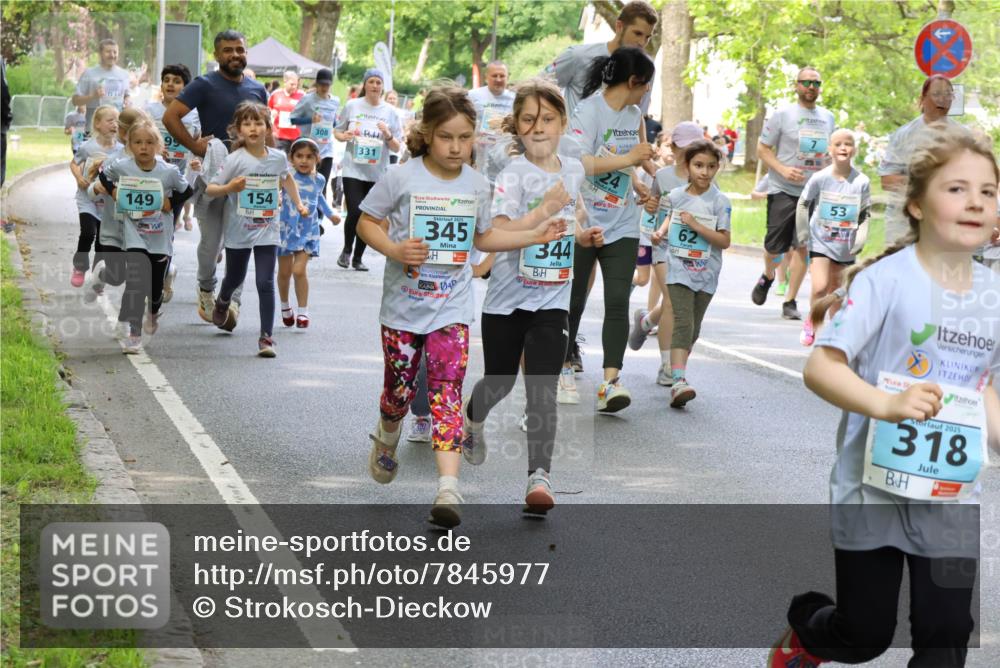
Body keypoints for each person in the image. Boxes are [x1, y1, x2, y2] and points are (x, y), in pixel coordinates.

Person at [769, 124, 1000, 668]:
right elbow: (820, 367)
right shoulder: (886, 281)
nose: (975, 202)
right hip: (871, 491)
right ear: (917, 206)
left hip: (948, 499)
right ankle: (807, 631)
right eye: (956, 189)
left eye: (987, 192)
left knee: (946, 640)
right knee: (864, 636)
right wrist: (886, 405)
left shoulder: (994, 297)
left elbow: (987, 392)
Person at [356, 85, 566, 528]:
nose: (456, 147)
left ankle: (448, 488)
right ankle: (387, 433)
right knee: (398, 391)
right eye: (447, 137)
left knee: (446, 392)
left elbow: (484, 238)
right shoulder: (403, 177)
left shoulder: (476, 185)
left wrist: (534, 235)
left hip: (452, 309)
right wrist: (395, 250)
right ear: (428, 134)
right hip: (402, 310)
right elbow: (366, 222)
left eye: (465, 137)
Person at [462, 78, 603, 513]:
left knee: (543, 388)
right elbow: (498, 231)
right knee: (500, 381)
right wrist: (541, 215)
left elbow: (572, 212)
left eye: (547, 119)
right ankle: (472, 419)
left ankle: (538, 477)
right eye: (528, 120)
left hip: (552, 299)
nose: (538, 127)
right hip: (507, 300)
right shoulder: (512, 174)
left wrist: (583, 235)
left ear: (562, 123)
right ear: (518, 129)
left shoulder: (573, 169)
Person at [561, 46, 656, 413]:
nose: (645, 93)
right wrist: (630, 159)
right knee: (572, 302)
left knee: (618, 300)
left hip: (624, 222)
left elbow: (625, 159)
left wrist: (637, 182)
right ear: (634, 81)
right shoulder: (588, 110)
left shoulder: (635, 115)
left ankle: (609, 383)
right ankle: (564, 365)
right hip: (584, 218)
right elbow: (580, 162)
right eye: (645, 85)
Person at [162, 30, 268, 323]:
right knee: (211, 241)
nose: (235, 55)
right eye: (228, 50)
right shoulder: (204, 85)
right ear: (217, 55)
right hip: (213, 175)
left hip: (248, 176)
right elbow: (170, 117)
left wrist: (269, 174)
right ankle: (206, 292)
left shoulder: (258, 89)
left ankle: (232, 301)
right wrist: (195, 145)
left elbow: (264, 134)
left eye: (240, 49)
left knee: (241, 241)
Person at [205, 101, 309, 358]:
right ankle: (223, 300)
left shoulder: (278, 158)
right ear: (238, 130)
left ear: (267, 128)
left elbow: (287, 179)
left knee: (265, 281)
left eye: (258, 123)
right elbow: (210, 188)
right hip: (239, 229)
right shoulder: (234, 160)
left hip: (268, 229)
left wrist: (298, 203)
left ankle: (266, 337)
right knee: (234, 277)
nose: (253, 128)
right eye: (247, 123)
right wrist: (230, 188)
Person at [98, 118, 193, 353]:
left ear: (158, 146)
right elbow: (103, 175)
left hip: (160, 237)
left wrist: (171, 203)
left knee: (154, 287)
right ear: (129, 144)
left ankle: (153, 311)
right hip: (134, 236)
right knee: (135, 282)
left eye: (149, 142)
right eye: (138, 142)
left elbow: (188, 190)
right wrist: (114, 191)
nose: (144, 147)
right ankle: (134, 333)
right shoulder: (122, 166)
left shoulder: (168, 171)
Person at [751, 66, 835, 320]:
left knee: (802, 247)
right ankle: (768, 274)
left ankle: (790, 301)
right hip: (783, 188)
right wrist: (783, 170)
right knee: (774, 247)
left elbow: (828, 151)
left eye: (816, 83)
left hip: (812, 191)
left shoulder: (828, 117)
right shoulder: (782, 114)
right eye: (806, 83)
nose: (811, 88)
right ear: (796, 85)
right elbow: (763, 149)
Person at [629, 121, 704, 386]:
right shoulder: (662, 176)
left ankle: (647, 321)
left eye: (696, 147)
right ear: (673, 148)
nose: (690, 153)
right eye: (684, 148)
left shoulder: (705, 174)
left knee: (685, 303)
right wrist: (650, 206)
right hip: (662, 245)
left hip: (695, 249)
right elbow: (651, 207)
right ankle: (667, 367)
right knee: (673, 301)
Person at [662, 140, 731, 407]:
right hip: (679, 268)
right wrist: (660, 232)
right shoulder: (677, 196)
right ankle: (678, 380)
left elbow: (724, 241)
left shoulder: (720, 201)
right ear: (687, 166)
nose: (704, 172)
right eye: (698, 165)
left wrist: (697, 226)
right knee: (683, 322)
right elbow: (671, 219)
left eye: (711, 166)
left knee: (694, 328)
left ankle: (678, 370)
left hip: (707, 271)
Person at [795, 128, 871, 347]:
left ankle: (835, 333)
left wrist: (860, 239)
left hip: (845, 244)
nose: (843, 148)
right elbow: (803, 203)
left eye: (847, 144)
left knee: (836, 292)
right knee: (820, 287)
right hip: (820, 240)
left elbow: (865, 213)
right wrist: (802, 232)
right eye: (838, 144)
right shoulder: (820, 178)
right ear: (830, 149)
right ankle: (812, 320)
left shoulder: (861, 181)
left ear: (854, 149)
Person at [333, 68, 402, 272]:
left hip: (376, 171)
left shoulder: (390, 112)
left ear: (383, 86)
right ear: (365, 84)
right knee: (355, 210)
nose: (374, 86)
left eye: (378, 82)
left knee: (367, 214)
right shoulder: (353, 105)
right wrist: (343, 136)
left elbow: (397, 146)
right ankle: (346, 249)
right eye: (371, 81)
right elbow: (337, 130)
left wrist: (388, 134)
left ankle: (358, 257)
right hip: (353, 168)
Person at [879, 75, 959, 246]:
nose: (943, 100)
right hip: (904, 224)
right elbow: (887, 181)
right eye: (937, 94)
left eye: (948, 94)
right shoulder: (903, 135)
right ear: (922, 99)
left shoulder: (963, 136)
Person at [543, 0, 658, 115]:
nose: (642, 42)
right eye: (637, 34)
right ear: (619, 27)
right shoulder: (578, 56)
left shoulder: (646, 70)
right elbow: (538, 87)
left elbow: (638, 116)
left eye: (647, 37)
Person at [278, 137, 340, 329]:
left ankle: (303, 311)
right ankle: (285, 306)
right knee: (284, 272)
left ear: (317, 159)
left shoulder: (319, 179)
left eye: (309, 157)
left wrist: (330, 214)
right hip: (286, 229)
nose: (303, 161)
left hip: (308, 230)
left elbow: (318, 198)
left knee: (299, 270)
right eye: (299, 156)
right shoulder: (286, 177)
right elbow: (276, 193)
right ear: (291, 158)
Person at [146, 64, 201, 233]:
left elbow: (198, 142)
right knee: (148, 224)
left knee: (169, 226)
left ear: (185, 87)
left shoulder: (194, 114)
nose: (170, 84)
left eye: (176, 81)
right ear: (161, 85)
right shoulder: (149, 110)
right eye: (166, 80)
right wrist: (154, 149)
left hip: (179, 178)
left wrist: (196, 160)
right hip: (152, 177)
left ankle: (164, 256)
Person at [69, 105, 120, 287]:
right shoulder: (88, 146)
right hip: (87, 199)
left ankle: (98, 277)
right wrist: (79, 177)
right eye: (110, 120)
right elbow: (74, 164)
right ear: (98, 124)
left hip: (107, 203)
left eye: (117, 120)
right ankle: (80, 267)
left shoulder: (122, 149)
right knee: (88, 233)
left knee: (102, 241)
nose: (115, 124)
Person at [289, 68, 341, 202]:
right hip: (309, 149)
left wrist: (338, 127)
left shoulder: (335, 101)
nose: (324, 87)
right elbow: (293, 119)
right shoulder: (307, 99)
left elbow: (333, 122)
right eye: (321, 84)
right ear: (316, 84)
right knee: (306, 184)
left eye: (327, 85)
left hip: (326, 149)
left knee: (322, 185)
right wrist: (310, 120)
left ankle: (319, 219)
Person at [71, 39, 132, 127]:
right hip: (94, 128)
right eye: (108, 52)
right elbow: (75, 101)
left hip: (116, 127)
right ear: (100, 53)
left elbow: (127, 95)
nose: (112, 55)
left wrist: (127, 100)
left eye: (115, 52)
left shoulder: (124, 74)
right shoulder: (89, 73)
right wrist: (92, 96)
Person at [268, 70, 304, 152]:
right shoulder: (275, 94)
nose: (294, 87)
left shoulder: (302, 95)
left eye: (296, 84)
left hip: (297, 136)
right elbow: (267, 111)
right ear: (285, 82)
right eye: (292, 84)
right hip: (280, 137)